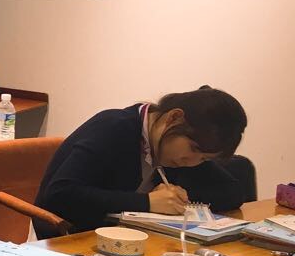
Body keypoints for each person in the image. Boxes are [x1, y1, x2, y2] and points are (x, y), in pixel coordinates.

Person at [36, 87, 249, 232]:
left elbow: (232, 193)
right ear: (174, 118)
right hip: (71, 240)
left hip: (129, 242)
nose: (192, 162)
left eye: (204, 159)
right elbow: (60, 194)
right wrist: (147, 202)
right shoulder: (113, 127)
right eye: (194, 149)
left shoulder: (178, 152)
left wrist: (177, 198)